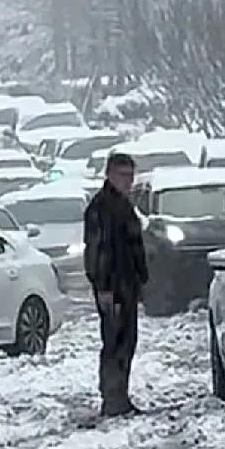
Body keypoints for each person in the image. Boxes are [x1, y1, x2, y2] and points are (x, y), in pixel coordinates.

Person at [84, 152, 148, 418]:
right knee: (115, 341)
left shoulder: (122, 205)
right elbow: (96, 251)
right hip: (112, 286)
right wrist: (104, 288)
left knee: (126, 341)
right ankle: (112, 398)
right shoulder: (101, 208)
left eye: (131, 176)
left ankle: (119, 395)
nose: (128, 181)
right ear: (109, 174)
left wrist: (140, 276)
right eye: (122, 175)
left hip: (127, 283)